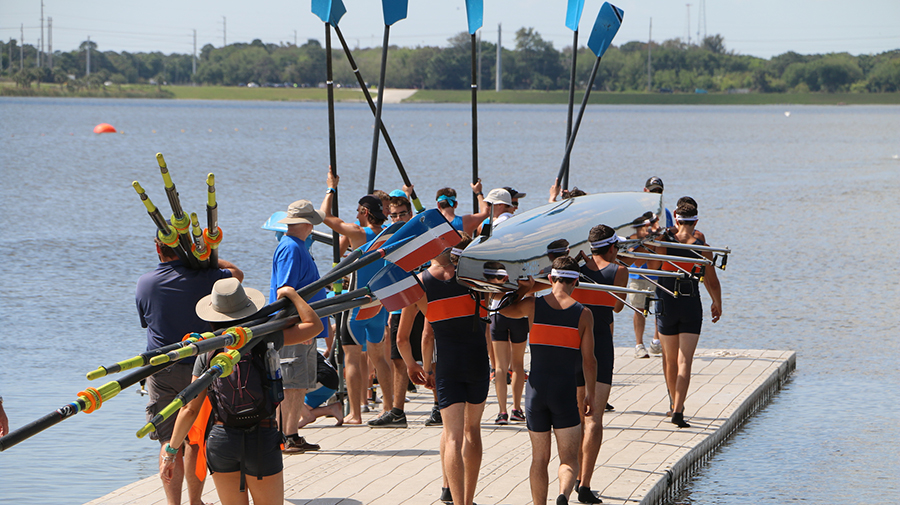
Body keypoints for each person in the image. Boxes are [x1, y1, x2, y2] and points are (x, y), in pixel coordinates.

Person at [162, 280, 323, 505]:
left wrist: (170, 452)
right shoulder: (265, 338)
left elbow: (190, 408)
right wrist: (292, 295)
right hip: (262, 437)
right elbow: (314, 326)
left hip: (222, 440)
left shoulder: (207, 351)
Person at [136, 236, 242, 505]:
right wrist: (208, 260)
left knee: (167, 438)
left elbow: (145, 322)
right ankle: (195, 501)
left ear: (158, 249)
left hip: (162, 367)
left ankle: (174, 504)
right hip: (202, 365)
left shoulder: (145, 282)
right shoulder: (208, 276)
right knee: (195, 440)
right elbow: (238, 275)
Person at [396, 234, 490, 505]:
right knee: (473, 430)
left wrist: (415, 366)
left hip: (448, 364)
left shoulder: (419, 285)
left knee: (452, 436)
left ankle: (457, 501)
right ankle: (470, 500)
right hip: (476, 360)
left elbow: (404, 338)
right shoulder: (473, 276)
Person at [500, 256, 596, 505]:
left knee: (539, 459)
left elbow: (502, 309)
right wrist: (590, 395)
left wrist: (524, 288)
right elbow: (590, 361)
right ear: (576, 283)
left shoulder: (533, 305)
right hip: (564, 392)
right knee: (569, 459)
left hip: (536, 391)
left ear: (551, 279)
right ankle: (563, 495)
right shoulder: (583, 314)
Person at [320, 171, 396, 426]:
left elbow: (324, 217)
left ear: (365, 211)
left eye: (357, 211)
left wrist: (331, 189)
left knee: (351, 357)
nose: (355, 215)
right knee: (380, 358)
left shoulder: (358, 233)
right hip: (379, 305)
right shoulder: (390, 234)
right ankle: (389, 407)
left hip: (356, 306)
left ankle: (355, 414)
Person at [648, 201, 722, 428]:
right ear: (696, 222)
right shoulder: (702, 247)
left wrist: (657, 241)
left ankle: (672, 404)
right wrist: (717, 303)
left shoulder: (663, 243)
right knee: (685, 361)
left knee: (670, 360)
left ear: (677, 220)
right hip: (690, 302)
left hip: (667, 301)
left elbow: (653, 268)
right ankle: (678, 409)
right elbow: (712, 281)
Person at [570, 225, 628, 504]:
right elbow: (617, 307)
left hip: (573, 341)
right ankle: (585, 483)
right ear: (612, 247)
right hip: (601, 341)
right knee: (595, 417)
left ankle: (572, 475)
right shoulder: (618, 272)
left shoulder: (574, 269)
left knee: (576, 416)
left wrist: (583, 265)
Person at [270, 199, 329, 451]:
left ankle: (291, 434)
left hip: (304, 325)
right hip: (295, 326)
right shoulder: (291, 248)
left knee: (299, 382)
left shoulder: (298, 246)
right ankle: (283, 436)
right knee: (290, 382)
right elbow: (285, 291)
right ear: (307, 223)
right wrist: (297, 328)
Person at [384, 194, 442, 427]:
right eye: (394, 215)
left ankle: (438, 406)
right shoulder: (389, 240)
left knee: (433, 354)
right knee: (399, 356)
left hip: (426, 297)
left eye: (402, 214)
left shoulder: (423, 235)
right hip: (402, 302)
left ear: (410, 215)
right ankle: (397, 411)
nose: (398, 218)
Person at [626, 213, 657, 359]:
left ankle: (656, 341)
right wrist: (645, 243)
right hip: (637, 276)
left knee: (660, 308)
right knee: (638, 309)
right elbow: (633, 258)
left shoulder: (655, 236)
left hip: (655, 275)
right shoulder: (632, 239)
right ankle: (639, 344)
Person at [298, 351, 343, 428]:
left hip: (323, 379)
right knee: (297, 411)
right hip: (331, 382)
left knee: (289, 392)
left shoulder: (290, 349)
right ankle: (330, 409)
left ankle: (306, 416)